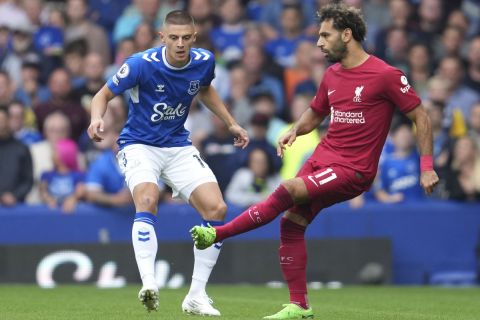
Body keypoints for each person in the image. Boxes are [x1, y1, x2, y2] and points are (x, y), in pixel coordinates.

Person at [191, 4, 439, 319]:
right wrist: (295, 129)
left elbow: (421, 116)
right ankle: (300, 305)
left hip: (352, 170)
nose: (318, 42)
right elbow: (317, 111)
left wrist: (427, 166)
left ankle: (218, 234)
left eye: (325, 35)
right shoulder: (332, 74)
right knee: (291, 224)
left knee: (288, 189)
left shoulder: (386, 75)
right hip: (323, 159)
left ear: (347, 35)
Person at [87, 10, 249, 315]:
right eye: (173, 37)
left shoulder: (204, 61)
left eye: (186, 38)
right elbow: (102, 95)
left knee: (217, 209)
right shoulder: (140, 64)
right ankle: (149, 283)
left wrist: (230, 123)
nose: (180, 43)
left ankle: (196, 295)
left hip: (177, 145)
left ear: (194, 37)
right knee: (147, 199)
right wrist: (96, 118)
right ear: (162, 37)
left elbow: (204, 89)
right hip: (138, 144)